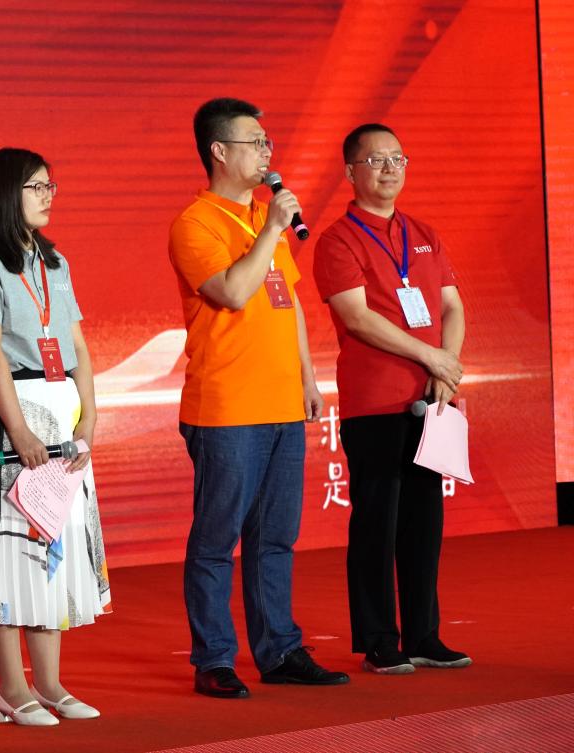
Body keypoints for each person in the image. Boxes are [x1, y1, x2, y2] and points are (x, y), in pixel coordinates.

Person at [168, 98, 350, 698]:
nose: (268, 153)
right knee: (217, 539)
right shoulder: (196, 223)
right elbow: (232, 292)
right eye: (256, 143)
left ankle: (280, 650)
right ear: (220, 151)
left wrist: (307, 377)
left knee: (275, 537)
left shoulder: (259, 217)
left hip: (281, 404)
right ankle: (215, 658)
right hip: (226, 407)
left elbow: (287, 301)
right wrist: (272, 229)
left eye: (268, 143)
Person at [0, 147, 112, 726]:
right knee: (8, 549)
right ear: (5, 192)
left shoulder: (54, 261)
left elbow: (78, 344)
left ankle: (50, 685)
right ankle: (11, 689)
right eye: (36, 187)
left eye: (50, 186)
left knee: (55, 547)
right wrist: (17, 429)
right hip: (11, 411)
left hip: (63, 410)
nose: (48, 196)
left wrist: (89, 416)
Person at [312, 123, 471, 675]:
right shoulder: (338, 240)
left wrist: (447, 367)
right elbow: (357, 318)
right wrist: (433, 358)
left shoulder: (422, 232)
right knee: (377, 522)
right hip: (375, 403)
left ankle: (425, 634)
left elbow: (452, 306)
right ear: (350, 171)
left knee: (425, 519)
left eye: (397, 158)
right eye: (375, 160)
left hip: (433, 398)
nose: (389, 169)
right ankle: (379, 638)